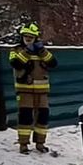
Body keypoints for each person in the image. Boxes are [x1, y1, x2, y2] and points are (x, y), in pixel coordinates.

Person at [10, 22, 57, 154]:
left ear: (36, 38)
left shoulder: (42, 50)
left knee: (43, 117)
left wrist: (42, 52)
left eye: (31, 36)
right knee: (25, 117)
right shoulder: (16, 50)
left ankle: (40, 143)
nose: (28, 39)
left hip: (42, 91)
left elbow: (53, 63)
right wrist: (27, 52)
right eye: (26, 36)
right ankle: (23, 144)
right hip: (25, 89)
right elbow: (16, 64)